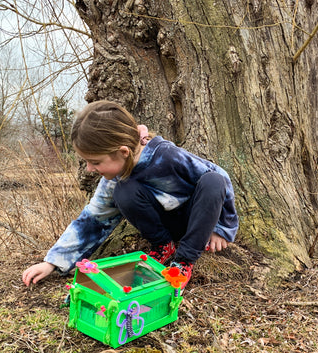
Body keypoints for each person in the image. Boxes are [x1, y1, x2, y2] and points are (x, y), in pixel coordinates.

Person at [22, 100, 238, 289]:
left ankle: (183, 262)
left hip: (198, 222)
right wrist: (52, 262)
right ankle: (164, 247)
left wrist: (222, 227)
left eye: (95, 162)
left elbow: (220, 180)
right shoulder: (115, 178)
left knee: (212, 180)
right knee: (123, 190)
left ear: (123, 152)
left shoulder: (168, 157)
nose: (89, 169)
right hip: (168, 224)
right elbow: (93, 220)